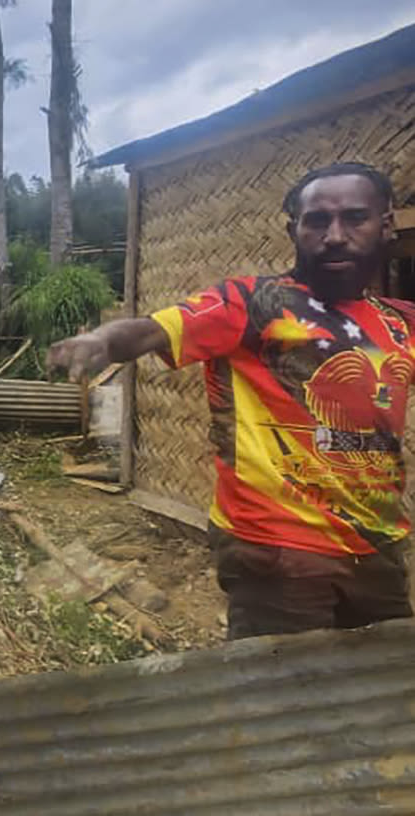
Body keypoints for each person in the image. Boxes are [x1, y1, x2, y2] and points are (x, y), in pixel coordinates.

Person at [48, 163, 415, 640]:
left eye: (354, 218)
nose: (335, 235)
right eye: (317, 221)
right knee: (282, 695)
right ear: (293, 230)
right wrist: (101, 341)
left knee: (381, 693)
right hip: (277, 545)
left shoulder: (400, 322)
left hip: (377, 544)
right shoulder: (250, 302)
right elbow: (154, 328)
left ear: (386, 225)